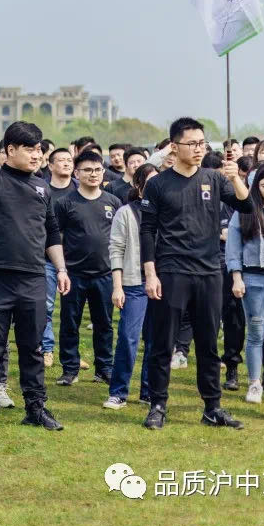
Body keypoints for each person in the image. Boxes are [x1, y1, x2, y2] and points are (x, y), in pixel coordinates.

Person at [0, 106, 68, 432]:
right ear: (10, 150)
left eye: (39, 149)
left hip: (33, 279)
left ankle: (36, 407)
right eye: (30, 149)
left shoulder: (42, 188)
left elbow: (52, 232)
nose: (37, 155)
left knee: (33, 348)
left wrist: (61, 269)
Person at [140, 117, 251, 431]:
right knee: (163, 343)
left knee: (208, 344)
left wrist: (236, 179)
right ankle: (157, 405)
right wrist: (150, 273)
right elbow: (147, 230)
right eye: (192, 143)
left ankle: (212, 407)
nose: (199, 149)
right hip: (171, 271)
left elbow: (246, 206)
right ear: (174, 147)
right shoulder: (158, 184)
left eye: (202, 143)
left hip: (209, 271)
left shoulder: (214, 179)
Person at [54, 150, 122, 386]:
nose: (93, 174)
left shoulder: (113, 202)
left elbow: (119, 238)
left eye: (97, 170)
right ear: (77, 173)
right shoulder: (65, 203)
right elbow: (55, 236)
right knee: (69, 323)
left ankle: (104, 368)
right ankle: (69, 369)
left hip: (105, 273)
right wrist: (61, 269)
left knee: (104, 324)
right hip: (74, 274)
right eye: (88, 170)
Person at [225, 162, 264, 406]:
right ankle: (254, 383)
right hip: (254, 279)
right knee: (256, 333)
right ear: (255, 186)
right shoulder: (245, 210)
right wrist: (236, 277)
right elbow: (233, 247)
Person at [105, 163, 159, 409]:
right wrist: (118, 286)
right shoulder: (125, 212)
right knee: (128, 338)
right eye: (149, 183)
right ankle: (118, 392)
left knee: (156, 340)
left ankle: (149, 390)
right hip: (134, 284)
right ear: (138, 186)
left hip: (162, 283)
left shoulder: (167, 211)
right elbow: (116, 249)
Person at [42, 148, 77, 370]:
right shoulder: (42, 189)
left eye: (69, 160)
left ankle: (70, 353)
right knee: (46, 307)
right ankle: (47, 348)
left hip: (75, 260)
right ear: (50, 165)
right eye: (61, 160)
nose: (66, 163)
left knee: (72, 311)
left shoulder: (80, 189)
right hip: (46, 258)